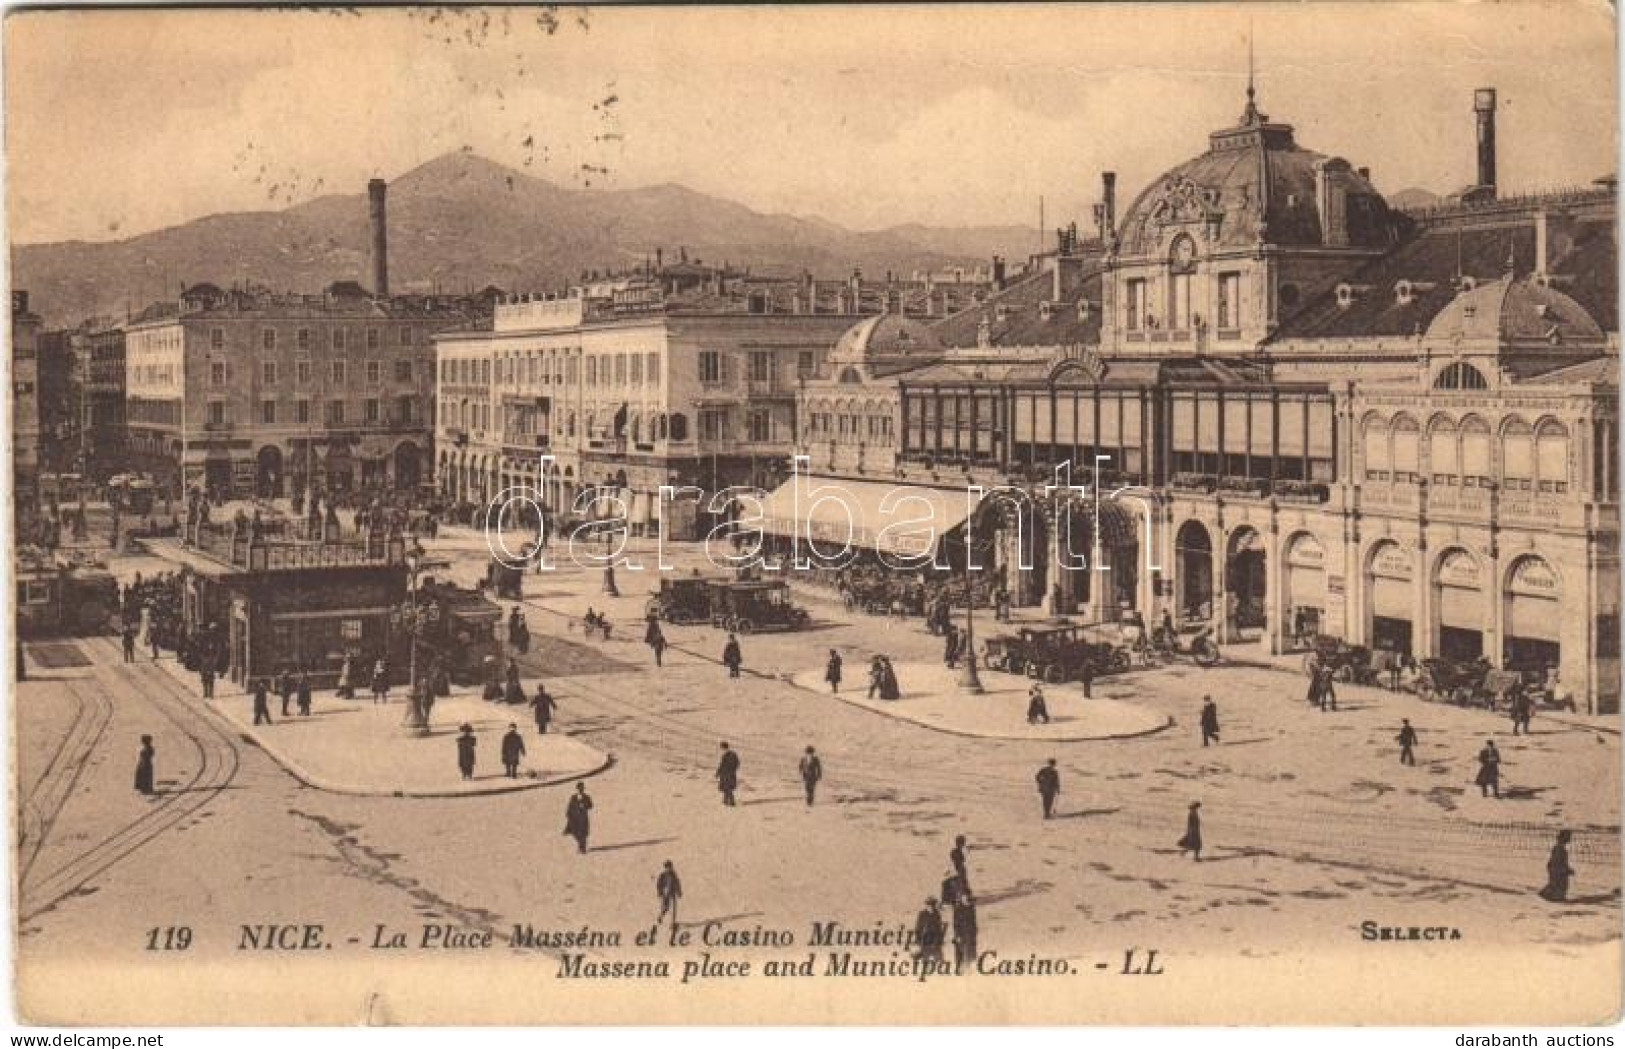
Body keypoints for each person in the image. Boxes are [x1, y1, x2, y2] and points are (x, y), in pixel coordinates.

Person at [1538, 830, 1575, 903]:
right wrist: (1566, 870)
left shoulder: (1558, 848)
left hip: (1556, 870)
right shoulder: (1560, 849)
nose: (1569, 839)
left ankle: (1551, 895)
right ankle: (1555, 897)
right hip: (1558, 871)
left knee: (1554, 884)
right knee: (1558, 884)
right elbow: (1558, 863)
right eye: (1568, 837)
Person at [656, 860, 683, 940]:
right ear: (665, 868)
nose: (669, 869)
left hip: (672, 894)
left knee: (673, 909)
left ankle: (672, 923)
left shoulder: (673, 875)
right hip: (665, 895)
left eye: (670, 867)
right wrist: (660, 893)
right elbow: (659, 885)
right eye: (667, 867)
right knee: (665, 908)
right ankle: (660, 917)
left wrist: (679, 892)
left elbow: (677, 883)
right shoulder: (662, 875)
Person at [951, 894, 978, 971]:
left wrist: (975, 931)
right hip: (961, 933)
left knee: (971, 950)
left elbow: (973, 921)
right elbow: (956, 924)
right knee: (961, 950)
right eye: (965, 899)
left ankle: (970, 967)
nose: (967, 901)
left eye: (968, 899)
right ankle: (960, 968)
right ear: (962, 900)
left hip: (970, 933)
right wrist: (957, 935)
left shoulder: (971, 908)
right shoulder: (958, 910)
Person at [913, 897, 945, 963]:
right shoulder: (922, 914)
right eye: (928, 905)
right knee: (926, 958)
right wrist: (918, 940)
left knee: (939, 959)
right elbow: (918, 927)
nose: (930, 907)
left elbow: (939, 927)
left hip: (935, 939)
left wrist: (940, 939)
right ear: (926, 905)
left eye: (932, 905)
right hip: (925, 939)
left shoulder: (937, 914)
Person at [564, 782, 593, 853]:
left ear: (583, 789)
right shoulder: (573, 797)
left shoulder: (587, 797)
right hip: (575, 818)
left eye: (581, 788)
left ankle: (582, 848)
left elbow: (591, 805)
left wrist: (585, 805)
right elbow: (570, 806)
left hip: (583, 818)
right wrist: (568, 814)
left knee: (583, 832)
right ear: (577, 789)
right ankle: (580, 846)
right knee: (575, 832)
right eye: (579, 788)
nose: (580, 790)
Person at [716, 741, 741, 806]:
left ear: (724, 747)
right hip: (726, 774)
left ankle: (732, 802)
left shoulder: (729, 754)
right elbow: (737, 763)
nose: (721, 749)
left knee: (727, 788)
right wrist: (718, 773)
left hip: (727, 774)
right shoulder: (730, 754)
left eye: (721, 747)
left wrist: (718, 773)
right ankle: (725, 801)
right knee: (726, 788)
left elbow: (723, 765)